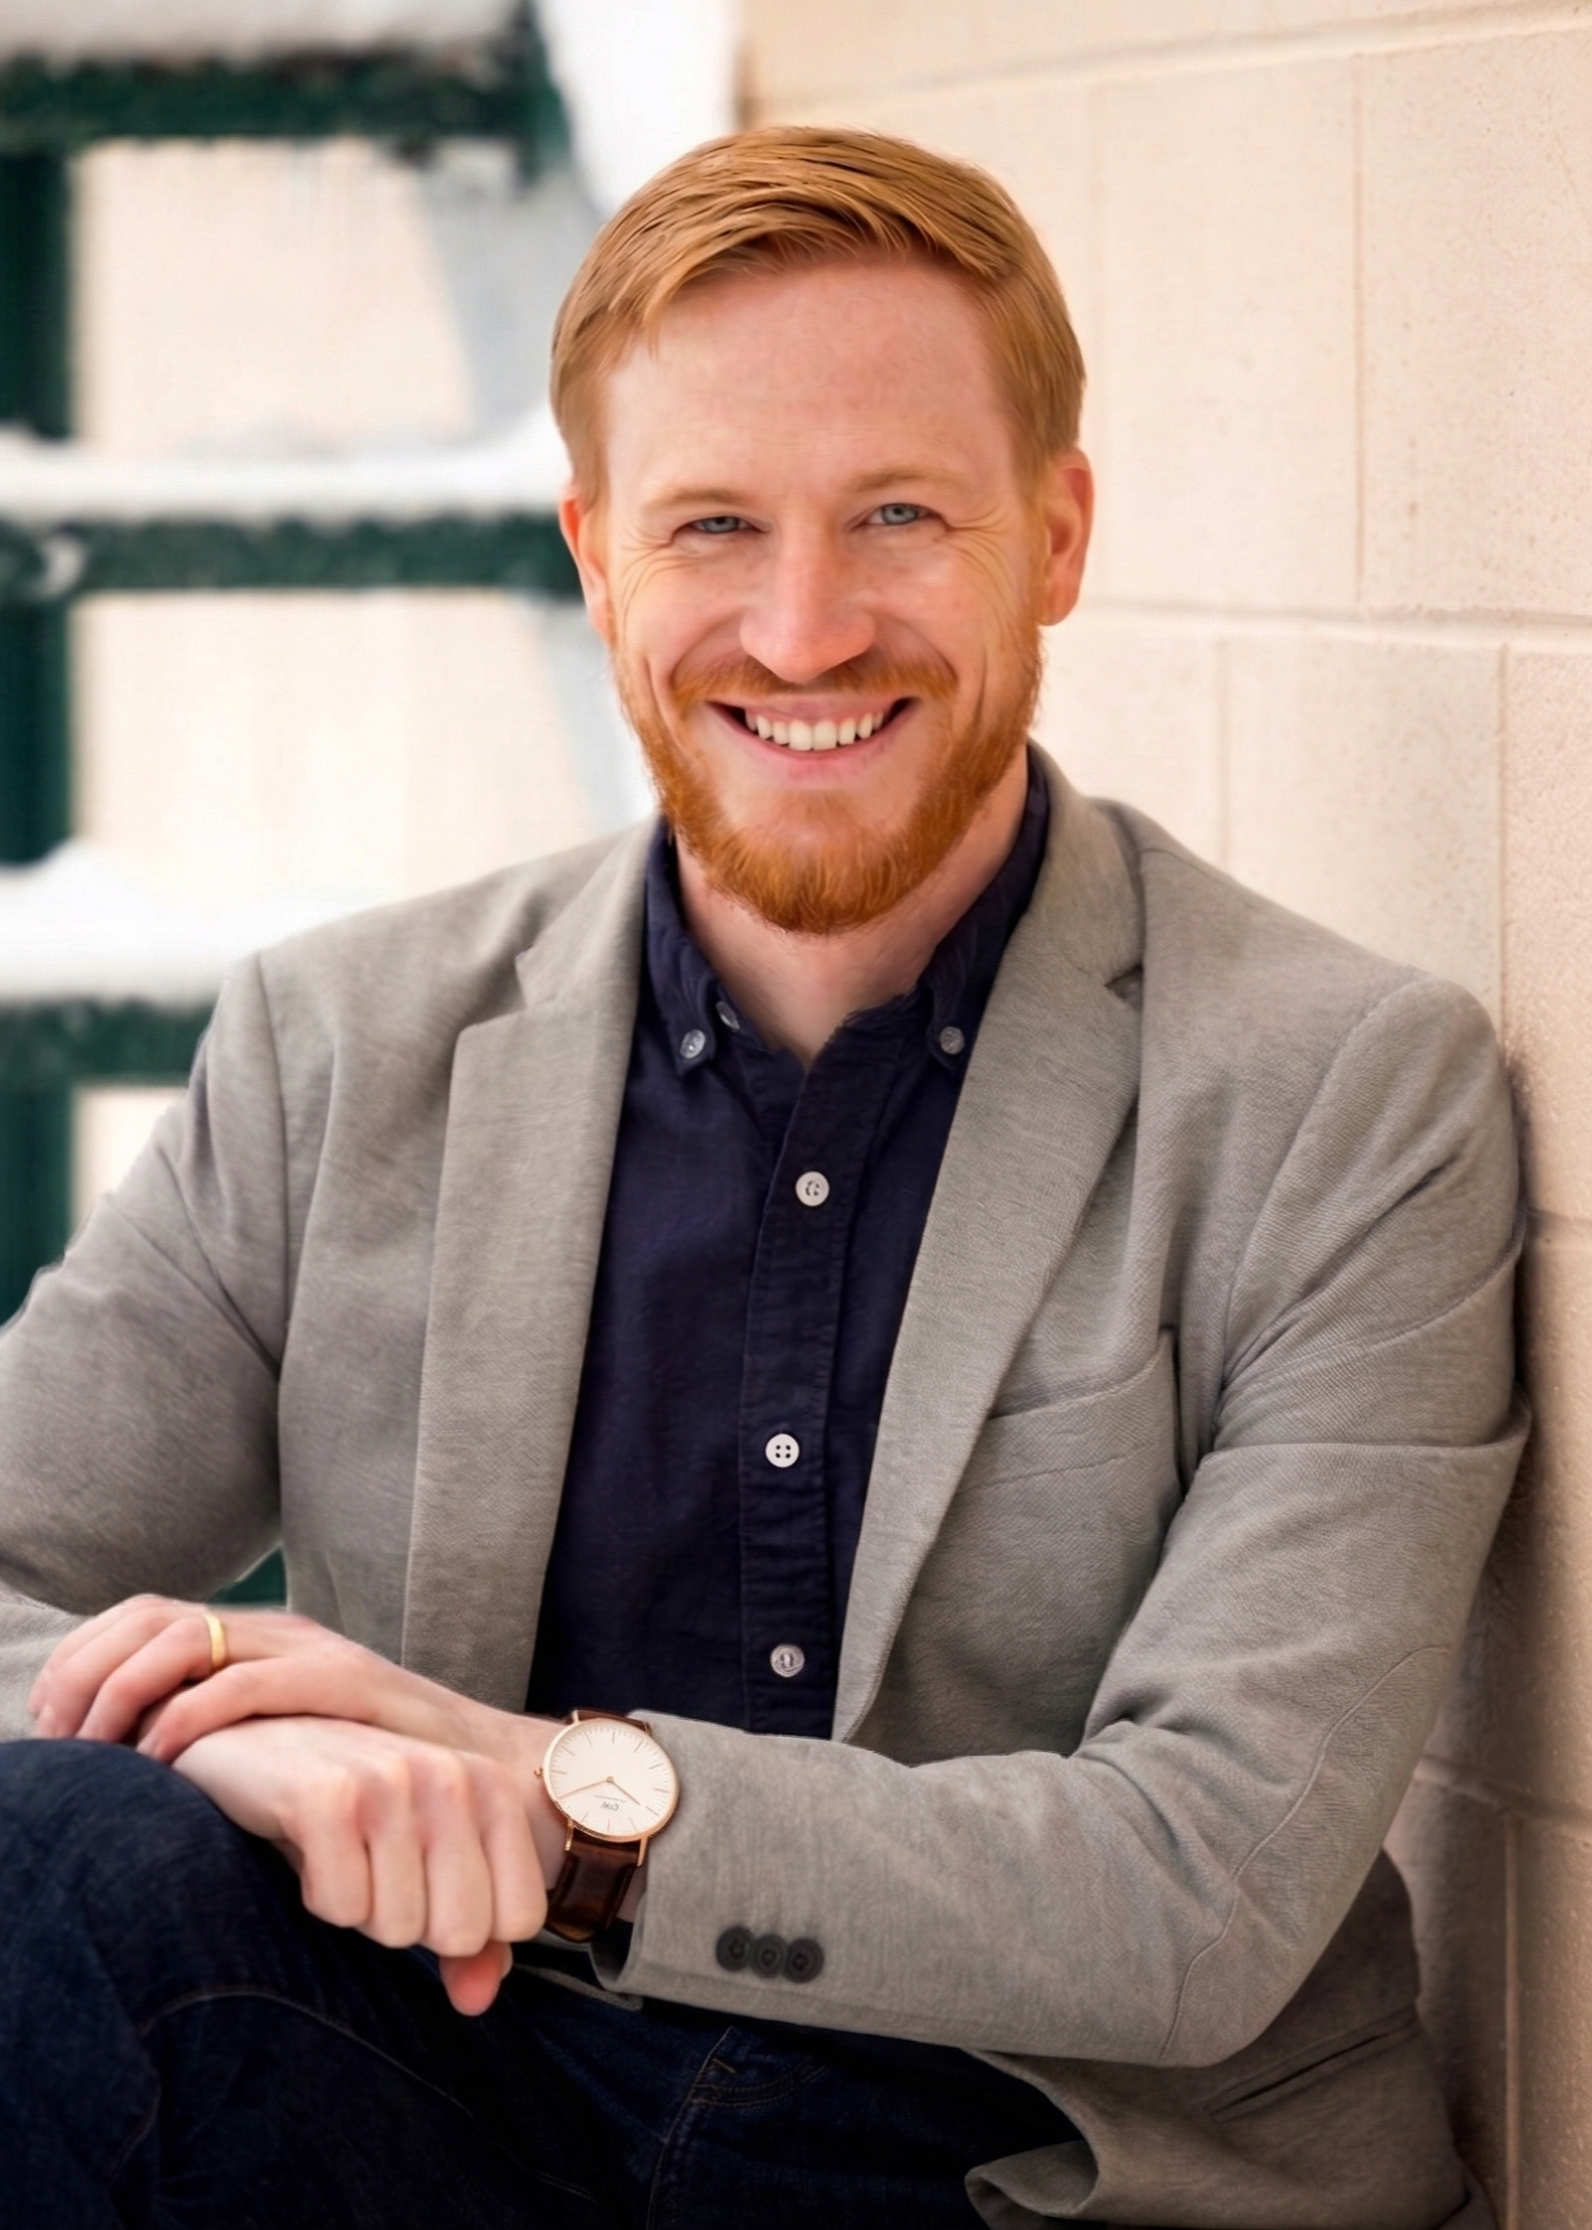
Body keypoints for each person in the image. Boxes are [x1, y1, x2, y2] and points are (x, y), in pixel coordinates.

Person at [0, 127, 1523, 2230]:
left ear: (1054, 537)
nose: (804, 631)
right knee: (60, 1860)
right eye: (713, 523)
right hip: (473, 2111)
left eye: (899, 514)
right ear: (595, 554)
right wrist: (224, 1743)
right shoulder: (340, 1047)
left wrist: (540, 1793)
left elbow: (1203, 1880)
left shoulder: (1342, 1091)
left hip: (1032, 2167)